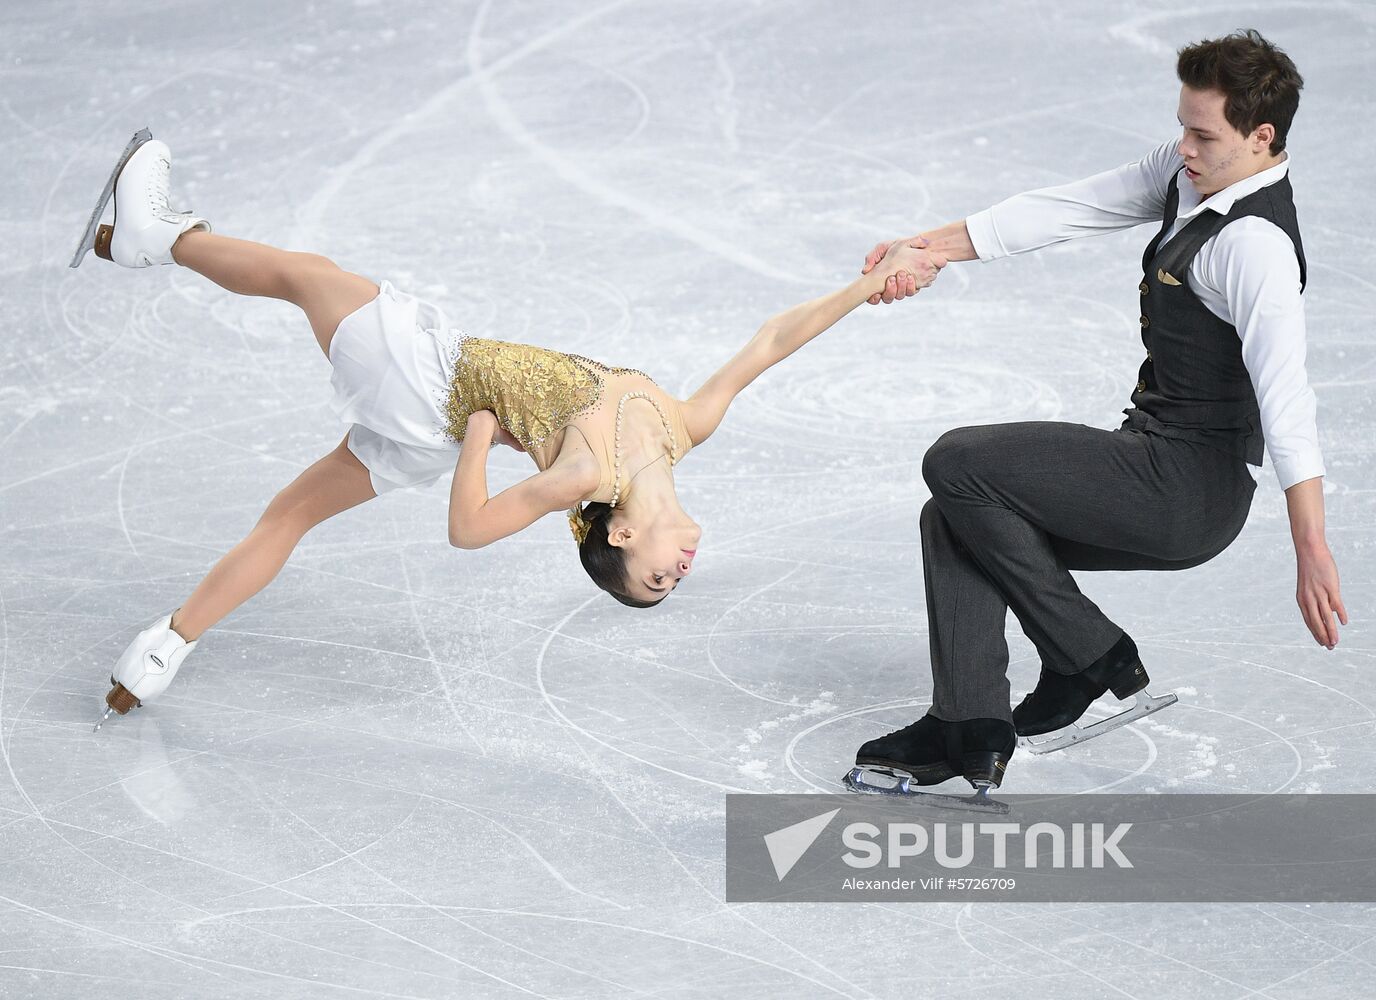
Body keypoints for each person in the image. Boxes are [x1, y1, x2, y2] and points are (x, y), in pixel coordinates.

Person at [75, 131, 946, 728]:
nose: (676, 574)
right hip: (428, 429)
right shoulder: (685, 429)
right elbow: (772, 342)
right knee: (291, 514)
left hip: (430, 385)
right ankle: (157, 656)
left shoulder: (583, 477)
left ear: (625, 532)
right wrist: (870, 287)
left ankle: (158, 237)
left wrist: (485, 433)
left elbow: (469, 531)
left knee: (309, 277)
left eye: (652, 580)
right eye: (669, 584)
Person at [847, 29, 1348, 798]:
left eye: (1202, 133)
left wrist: (1310, 545)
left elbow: (1287, 396)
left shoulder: (1255, 248)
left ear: (1261, 137)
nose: (1183, 145)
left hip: (1187, 489)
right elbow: (1070, 208)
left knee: (956, 461)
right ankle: (968, 727)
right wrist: (924, 249)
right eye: (1182, 124)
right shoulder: (1191, 177)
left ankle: (1088, 653)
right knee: (951, 516)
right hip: (1149, 455)